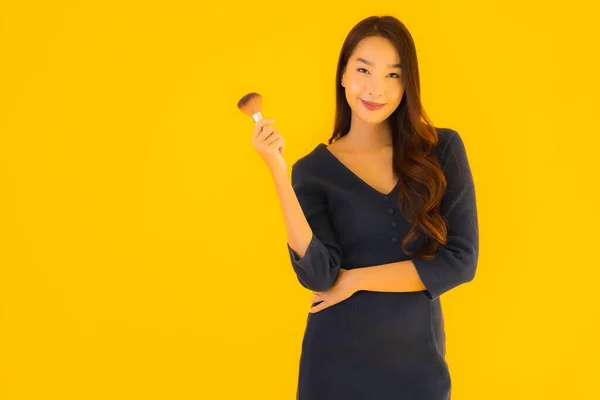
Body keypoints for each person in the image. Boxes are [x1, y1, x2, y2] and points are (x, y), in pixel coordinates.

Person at [251, 15, 479, 400]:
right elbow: (320, 275)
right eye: (363, 70)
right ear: (343, 75)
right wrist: (278, 173)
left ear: (408, 83)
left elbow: (460, 262)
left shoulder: (442, 151)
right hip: (334, 366)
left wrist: (354, 279)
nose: (376, 88)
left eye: (393, 74)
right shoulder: (313, 171)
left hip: (418, 368)